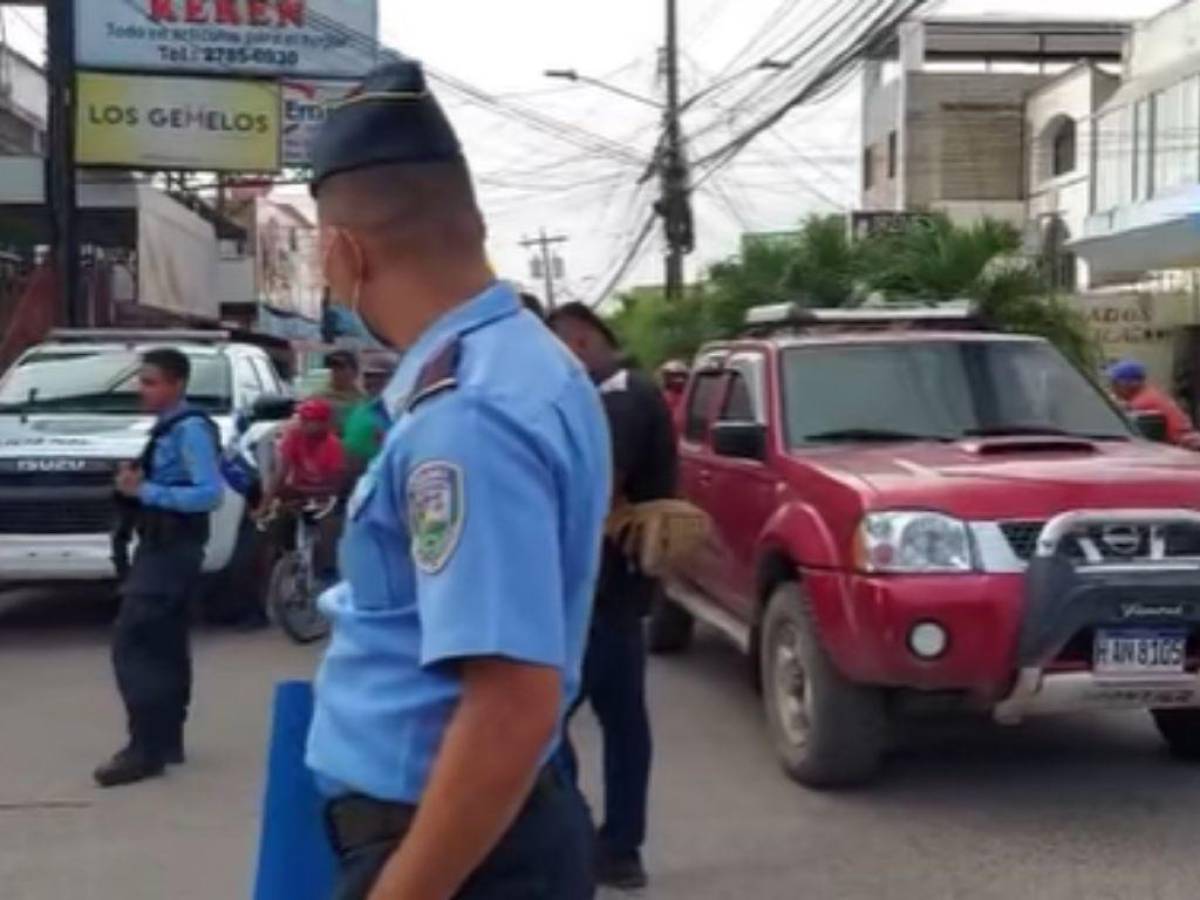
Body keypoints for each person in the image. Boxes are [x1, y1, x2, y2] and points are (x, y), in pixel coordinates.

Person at [305, 59, 610, 900]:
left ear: (342, 255)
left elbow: (510, 704)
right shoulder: (523, 361)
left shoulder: (465, 416)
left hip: (451, 851)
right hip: (481, 831)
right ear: (473, 223)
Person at [548, 302, 680, 890]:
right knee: (622, 718)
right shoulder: (621, 390)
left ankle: (588, 839)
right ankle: (619, 848)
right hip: (618, 586)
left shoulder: (618, 395)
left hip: (601, 586)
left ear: (577, 344)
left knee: (544, 723)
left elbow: (601, 485)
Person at [96, 348, 223, 788]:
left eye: (151, 382)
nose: (141, 389)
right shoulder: (169, 428)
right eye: (142, 380)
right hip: (161, 548)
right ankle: (166, 739)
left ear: (177, 384)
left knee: (134, 644)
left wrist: (145, 491)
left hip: (172, 552)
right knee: (165, 644)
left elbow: (209, 494)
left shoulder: (189, 430)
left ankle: (143, 749)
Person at [1109, 359, 1200, 447]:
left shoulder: (1142, 402)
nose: (1113, 388)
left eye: (1115, 384)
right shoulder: (1149, 394)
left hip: (1177, 446)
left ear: (1131, 384)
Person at [341, 352, 400, 474]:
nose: (373, 381)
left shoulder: (396, 410)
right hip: (350, 475)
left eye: (380, 376)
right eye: (369, 376)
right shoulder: (360, 405)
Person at [318, 349, 366, 430]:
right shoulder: (319, 399)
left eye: (341, 368)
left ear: (355, 372)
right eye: (333, 369)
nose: (336, 373)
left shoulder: (363, 400)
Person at [658, 359, 689, 433]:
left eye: (680, 375)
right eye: (673, 375)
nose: (678, 379)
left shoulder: (690, 394)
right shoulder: (661, 396)